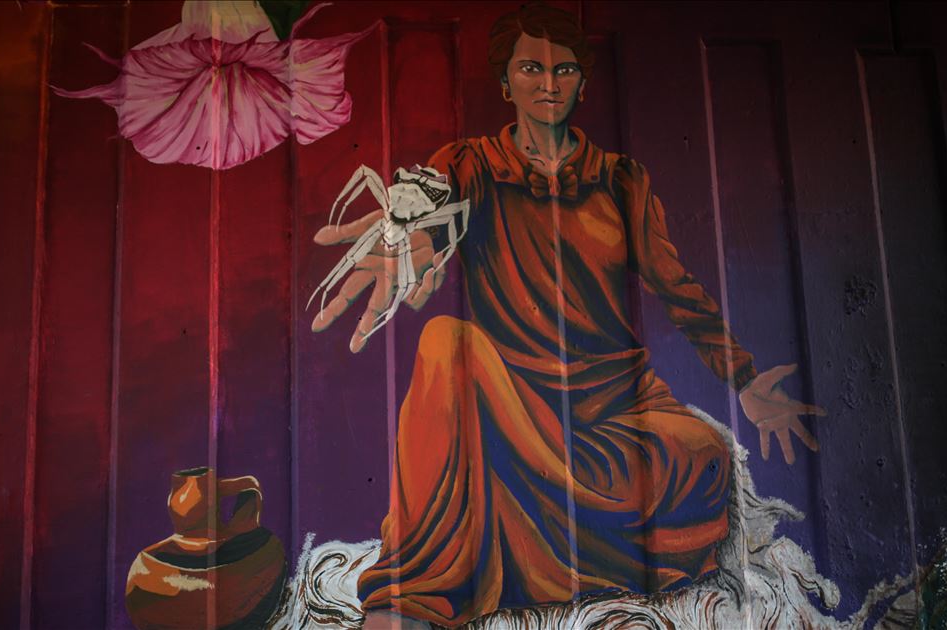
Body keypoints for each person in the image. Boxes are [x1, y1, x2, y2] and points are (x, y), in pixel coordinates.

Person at [310, 4, 825, 628]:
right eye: (531, 68)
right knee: (445, 342)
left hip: (614, 407)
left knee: (703, 451)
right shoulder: (468, 166)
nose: (549, 83)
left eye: (565, 69)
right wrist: (408, 243)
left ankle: (542, 542)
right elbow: (426, 217)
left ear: (583, 82)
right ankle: (413, 597)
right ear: (506, 83)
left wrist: (745, 379)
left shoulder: (621, 181)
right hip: (513, 405)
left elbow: (678, 290)